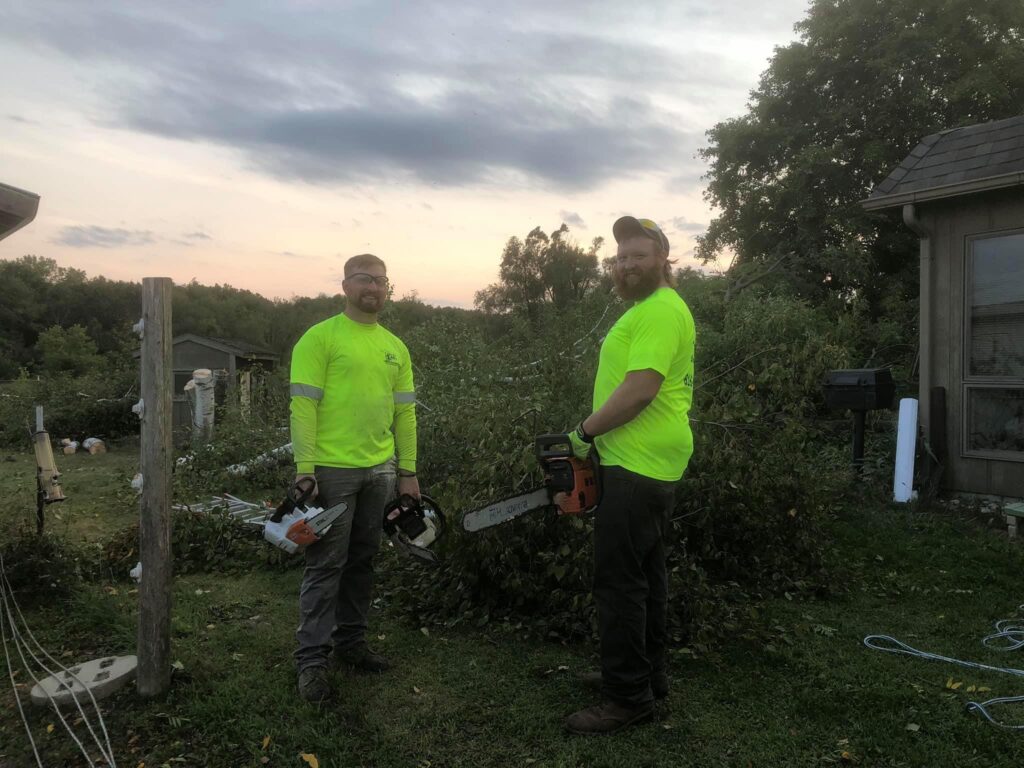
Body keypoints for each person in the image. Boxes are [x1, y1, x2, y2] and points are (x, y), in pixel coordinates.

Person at [564, 216, 696, 735]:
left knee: (618, 582)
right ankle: (647, 677)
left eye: (638, 254)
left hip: (637, 462)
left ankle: (625, 699)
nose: (627, 264)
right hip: (648, 461)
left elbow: (641, 388)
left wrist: (583, 433)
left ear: (663, 257)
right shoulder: (650, 310)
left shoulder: (661, 310)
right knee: (646, 576)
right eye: (620, 257)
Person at [288, 253, 419, 703]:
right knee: (326, 564)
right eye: (365, 279)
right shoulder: (320, 338)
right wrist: (306, 470)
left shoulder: (395, 346)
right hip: (331, 470)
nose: (375, 288)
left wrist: (408, 471)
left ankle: (351, 643)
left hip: (380, 469)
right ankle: (311, 662)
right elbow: (303, 406)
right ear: (345, 285)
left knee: (364, 559)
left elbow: (405, 413)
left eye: (382, 281)